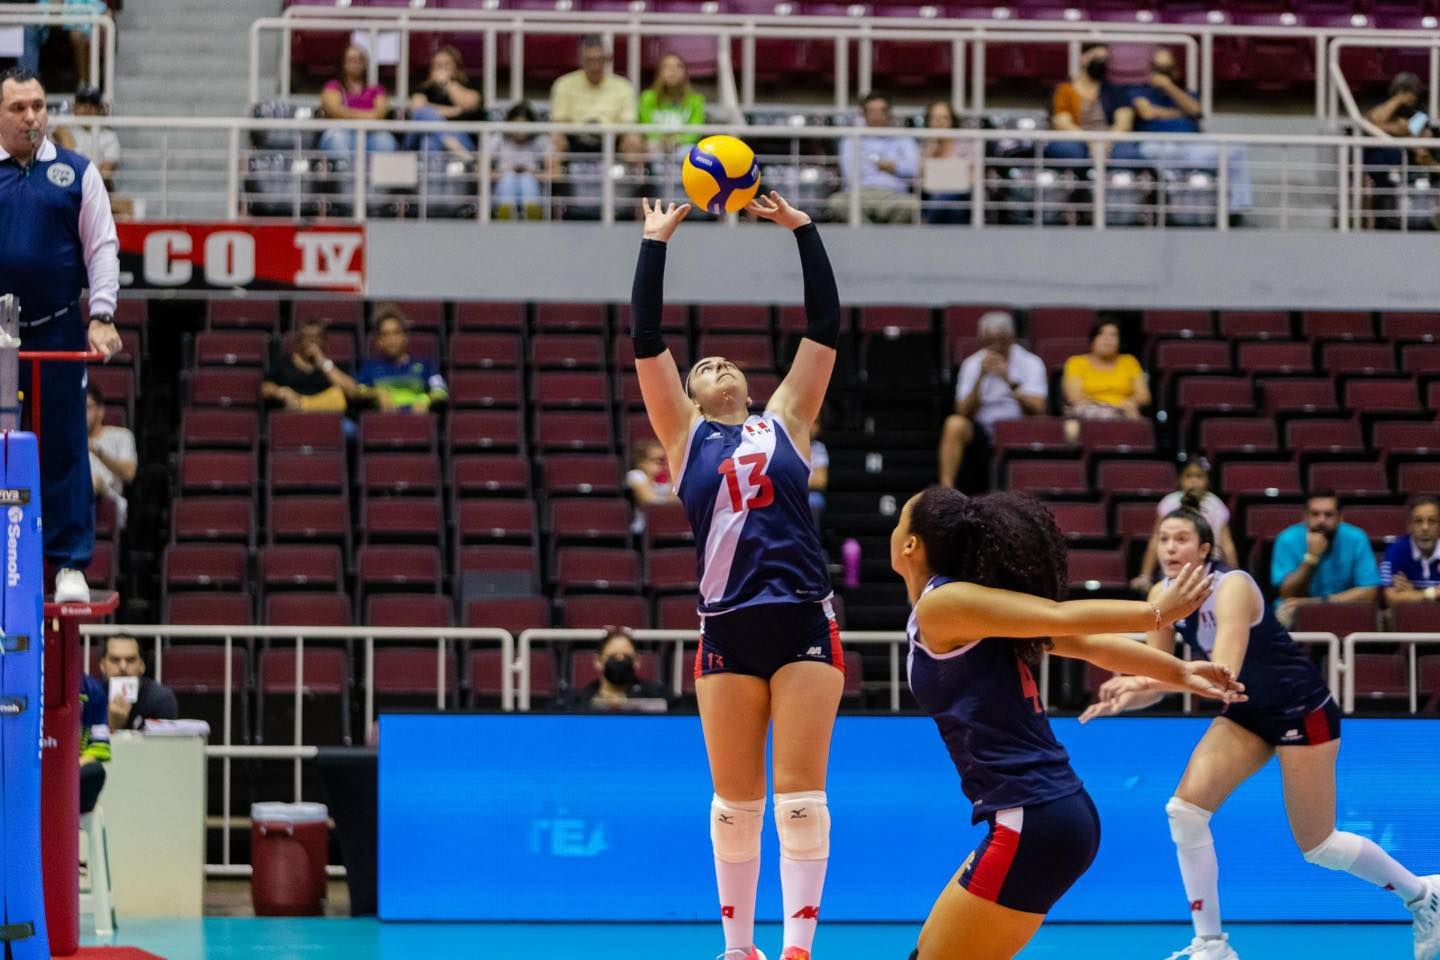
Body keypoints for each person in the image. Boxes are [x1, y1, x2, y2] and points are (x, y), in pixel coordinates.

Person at [890, 487, 1240, 960]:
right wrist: (1178, 672)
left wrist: (1156, 612)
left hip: (1031, 817)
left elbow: (1061, 617)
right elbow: (1088, 644)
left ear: (910, 544)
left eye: (900, 522)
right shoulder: (973, 613)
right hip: (1048, 812)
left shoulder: (941, 605)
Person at [1081, 506, 1440, 960]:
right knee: (1185, 811)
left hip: (1299, 709)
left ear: (1205, 550)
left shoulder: (1231, 587)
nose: (1170, 548)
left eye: (1181, 539)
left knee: (1319, 845)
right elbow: (1167, 680)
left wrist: (1145, 678)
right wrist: (1131, 694)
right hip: (1246, 714)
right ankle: (1211, 945)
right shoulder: (1162, 594)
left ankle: (1423, 895)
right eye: (1163, 539)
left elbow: (1222, 673)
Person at [630, 190, 842, 960]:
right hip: (726, 624)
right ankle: (736, 949)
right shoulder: (683, 437)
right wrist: (656, 244)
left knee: (800, 804)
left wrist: (802, 230)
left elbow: (824, 327)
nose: (714, 362)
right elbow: (645, 336)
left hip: (801, 619)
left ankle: (796, 949)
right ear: (687, 395)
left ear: (749, 387)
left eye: (724, 360)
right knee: (733, 807)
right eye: (702, 364)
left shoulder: (787, 418)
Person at [0, 67, 122, 603]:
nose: (32, 117)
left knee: (67, 444)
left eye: (39, 106)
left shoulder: (76, 173)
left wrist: (102, 314)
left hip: (56, 330)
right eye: (18, 108)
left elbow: (102, 246)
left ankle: (69, 563)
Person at [937, 311, 1047, 490]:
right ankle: (946, 489)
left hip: (1019, 426)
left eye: (1000, 341)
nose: (995, 347)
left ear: (1011, 338)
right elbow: (962, 410)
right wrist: (980, 378)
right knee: (954, 424)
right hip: (982, 428)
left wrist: (1008, 380)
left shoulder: (1031, 362)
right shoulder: (972, 364)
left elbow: (1038, 408)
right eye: (989, 341)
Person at [1270, 490, 1381, 627]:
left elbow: (1369, 591)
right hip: (1297, 609)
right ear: (1305, 517)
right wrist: (1311, 558)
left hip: (1344, 608)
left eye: (1328, 515)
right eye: (1315, 514)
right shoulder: (1287, 539)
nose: (1321, 520)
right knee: (1282, 613)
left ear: (1340, 517)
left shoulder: (1357, 538)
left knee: (1376, 617)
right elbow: (1287, 593)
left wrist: (1321, 603)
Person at [1132, 462, 1239, 593]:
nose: (1193, 481)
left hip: (1210, 567)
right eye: (1188, 476)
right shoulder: (1169, 502)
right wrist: (1145, 575)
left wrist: (1235, 573)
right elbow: (1155, 540)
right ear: (1180, 479)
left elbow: (1227, 544)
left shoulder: (1216, 504)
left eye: (1199, 476)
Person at [827, 92, 920, 224]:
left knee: (911, 205)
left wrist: (895, 167)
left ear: (889, 113)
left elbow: (914, 168)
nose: (876, 116)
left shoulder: (904, 138)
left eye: (881, 111)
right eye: (872, 111)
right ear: (863, 114)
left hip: (893, 195)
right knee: (837, 202)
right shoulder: (851, 139)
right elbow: (849, 174)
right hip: (860, 194)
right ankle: (867, 237)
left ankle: (887, 241)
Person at [548, 35, 643, 161]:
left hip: (612, 140)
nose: (595, 66)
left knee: (634, 139)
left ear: (608, 59)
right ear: (580, 60)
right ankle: (557, 181)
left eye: (599, 60)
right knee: (555, 139)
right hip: (575, 140)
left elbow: (628, 123)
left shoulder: (624, 86)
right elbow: (559, 120)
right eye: (589, 60)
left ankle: (635, 180)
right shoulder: (563, 84)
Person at [1046, 43, 1139, 167]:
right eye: (1096, 56)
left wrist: (1105, 142)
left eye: (1104, 59)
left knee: (1127, 153)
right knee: (1068, 150)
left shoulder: (1115, 90)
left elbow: (1123, 123)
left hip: (1109, 139)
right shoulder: (1064, 89)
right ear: (1083, 58)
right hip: (1076, 137)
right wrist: (1090, 140)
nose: (1100, 62)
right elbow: (1062, 123)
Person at [1060, 318, 1151, 443]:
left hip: (1122, 412)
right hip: (1087, 413)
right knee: (1072, 427)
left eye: (1113, 335)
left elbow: (1144, 396)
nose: (1107, 339)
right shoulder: (1076, 362)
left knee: (1136, 420)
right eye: (1101, 334)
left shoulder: (1129, 361)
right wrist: (1108, 406)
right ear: (1093, 339)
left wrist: (1128, 404)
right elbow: (1074, 396)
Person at [356, 306, 448, 415]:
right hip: (384, 421)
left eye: (396, 333)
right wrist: (377, 393)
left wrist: (425, 400)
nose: (391, 339)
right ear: (379, 341)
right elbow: (358, 390)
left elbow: (441, 390)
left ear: (404, 337)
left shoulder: (425, 364)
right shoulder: (370, 366)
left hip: (417, 420)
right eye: (385, 334)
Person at [260, 318, 361, 414]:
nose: (312, 341)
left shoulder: (332, 366)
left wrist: (324, 364)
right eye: (307, 337)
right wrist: (280, 392)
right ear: (298, 340)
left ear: (325, 341)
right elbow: (265, 388)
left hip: (325, 417)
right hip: (293, 415)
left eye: (317, 337)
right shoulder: (283, 363)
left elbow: (352, 391)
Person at [318, 45, 398, 157]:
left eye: (359, 59)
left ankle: (375, 174)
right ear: (344, 64)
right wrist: (368, 115)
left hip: (371, 133)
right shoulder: (333, 86)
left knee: (385, 142)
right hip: (341, 131)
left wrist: (347, 113)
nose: (355, 63)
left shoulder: (377, 90)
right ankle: (345, 175)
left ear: (365, 64)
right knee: (338, 141)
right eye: (351, 59)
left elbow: (379, 114)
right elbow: (333, 110)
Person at [564, 628, 672, 710]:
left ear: (637, 661)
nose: (620, 660)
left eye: (626, 657)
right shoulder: (577, 702)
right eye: (613, 656)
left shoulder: (659, 697)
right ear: (598, 661)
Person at [406, 45, 482, 156]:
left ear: (456, 67)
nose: (442, 69)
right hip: (419, 138)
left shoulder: (470, 85)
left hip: (460, 137)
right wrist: (456, 111)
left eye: (447, 65)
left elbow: (468, 104)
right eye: (437, 65)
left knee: (430, 142)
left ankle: (450, 146)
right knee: (425, 118)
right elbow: (418, 109)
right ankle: (458, 150)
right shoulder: (422, 88)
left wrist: (448, 84)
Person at [97, 634, 179, 732]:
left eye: (130, 660)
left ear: (142, 666)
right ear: (102, 665)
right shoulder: (91, 698)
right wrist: (112, 726)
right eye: (115, 660)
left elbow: (165, 745)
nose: (123, 667)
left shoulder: (161, 698)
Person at [491, 101, 549, 221]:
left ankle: (531, 211)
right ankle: (505, 211)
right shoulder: (497, 140)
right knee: (509, 179)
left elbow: (556, 173)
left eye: (524, 126)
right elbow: (480, 172)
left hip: (533, 185)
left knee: (527, 180)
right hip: (503, 184)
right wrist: (506, 172)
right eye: (516, 126)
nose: (520, 131)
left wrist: (532, 173)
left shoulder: (540, 141)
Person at [86, 383, 133, 530]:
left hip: (109, 498)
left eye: (87, 408)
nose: (81, 413)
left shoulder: (121, 436)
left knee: (94, 480)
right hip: (75, 498)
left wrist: (99, 453)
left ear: (100, 410)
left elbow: (128, 474)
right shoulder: (70, 441)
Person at [638, 53, 705, 155]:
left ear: (685, 73)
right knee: (651, 150)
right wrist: (661, 140)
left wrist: (678, 140)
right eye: (667, 67)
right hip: (656, 145)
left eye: (678, 66)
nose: (673, 71)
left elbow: (695, 131)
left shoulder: (696, 100)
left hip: (684, 146)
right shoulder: (647, 98)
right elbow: (646, 127)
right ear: (659, 72)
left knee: (688, 152)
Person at [919, 100, 973, 225]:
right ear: (928, 122)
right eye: (935, 118)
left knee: (946, 198)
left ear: (952, 121)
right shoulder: (924, 148)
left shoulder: (965, 146)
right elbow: (919, 182)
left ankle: (927, 226)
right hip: (932, 197)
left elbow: (972, 179)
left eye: (944, 118)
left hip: (962, 195)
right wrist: (932, 148)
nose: (939, 123)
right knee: (952, 208)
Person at [52, 85, 117, 188]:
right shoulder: (64, 127)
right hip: (67, 186)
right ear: (74, 107)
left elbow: (105, 173)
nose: (87, 108)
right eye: (82, 103)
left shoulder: (109, 136)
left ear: (100, 109)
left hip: (95, 190)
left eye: (93, 104)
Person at [1381, 495, 1440, 606]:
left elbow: (1401, 599)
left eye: (1432, 521)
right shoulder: (1396, 551)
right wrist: (1432, 593)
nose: (1425, 528)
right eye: (1418, 521)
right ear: (1410, 526)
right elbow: (1389, 599)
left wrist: (1413, 594)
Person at [626, 438, 677, 534]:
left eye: (665, 461)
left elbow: (676, 507)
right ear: (642, 462)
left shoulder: (661, 485)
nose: (663, 465)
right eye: (658, 460)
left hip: (665, 527)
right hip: (643, 530)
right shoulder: (635, 475)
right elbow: (651, 504)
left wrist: (673, 477)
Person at [79, 672, 110, 814]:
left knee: (95, 771)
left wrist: (65, 774)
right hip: (30, 775)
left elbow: (98, 748)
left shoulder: (93, 690)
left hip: (74, 775)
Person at [807, 419, 828, 532]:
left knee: (814, 502)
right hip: (792, 493)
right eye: (811, 421)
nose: (812, 427)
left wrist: (797, 481)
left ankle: (813, 543)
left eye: (816, 422)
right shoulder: (788, 444)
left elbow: (821, 481)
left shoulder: (819, 448)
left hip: (811, 495)